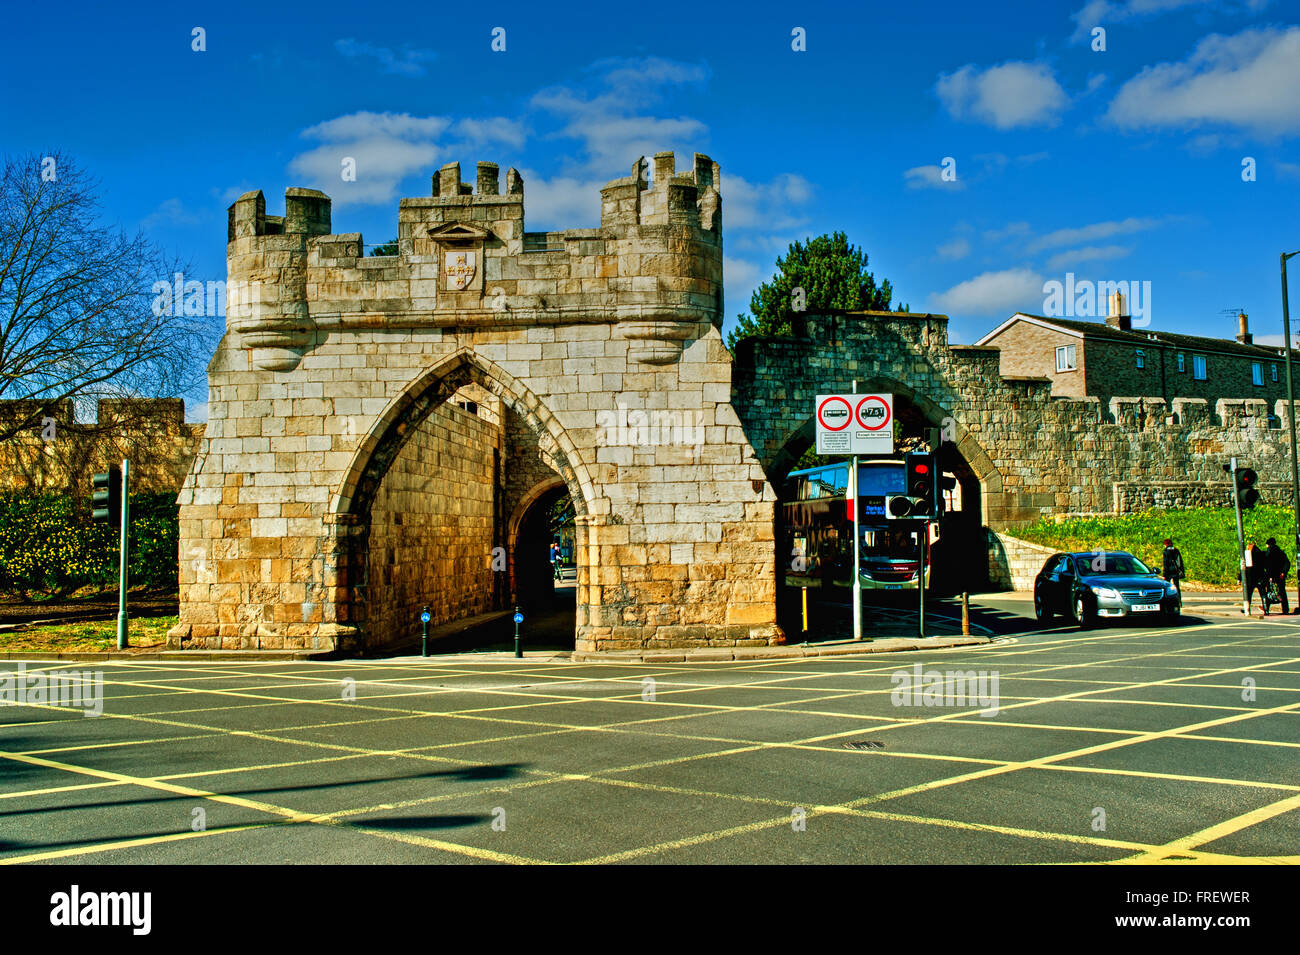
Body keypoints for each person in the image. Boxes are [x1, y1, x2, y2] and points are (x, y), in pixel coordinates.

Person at [1265, 537, 1291, 615]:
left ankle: (1267, 608)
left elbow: (1269, 565)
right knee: (1282, 592)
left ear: (1268, 544)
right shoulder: (1280, 552)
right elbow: (1287, 563)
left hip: (1272, 576)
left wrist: (1270, 576)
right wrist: (1283, 572)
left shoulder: (1269, 552)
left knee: (1269, 592)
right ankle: (1285, 609)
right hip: (1280, 575)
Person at [1244, 543, 1270, 615]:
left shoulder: (1248, 556)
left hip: (1251, 578)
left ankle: (1247, 609)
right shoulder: (1262, 554)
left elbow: (1245, 568)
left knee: (1248, 595)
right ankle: (1266, 610)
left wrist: (1240, 578)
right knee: (1263, 595)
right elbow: (1266, 565)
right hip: (1261, 577)